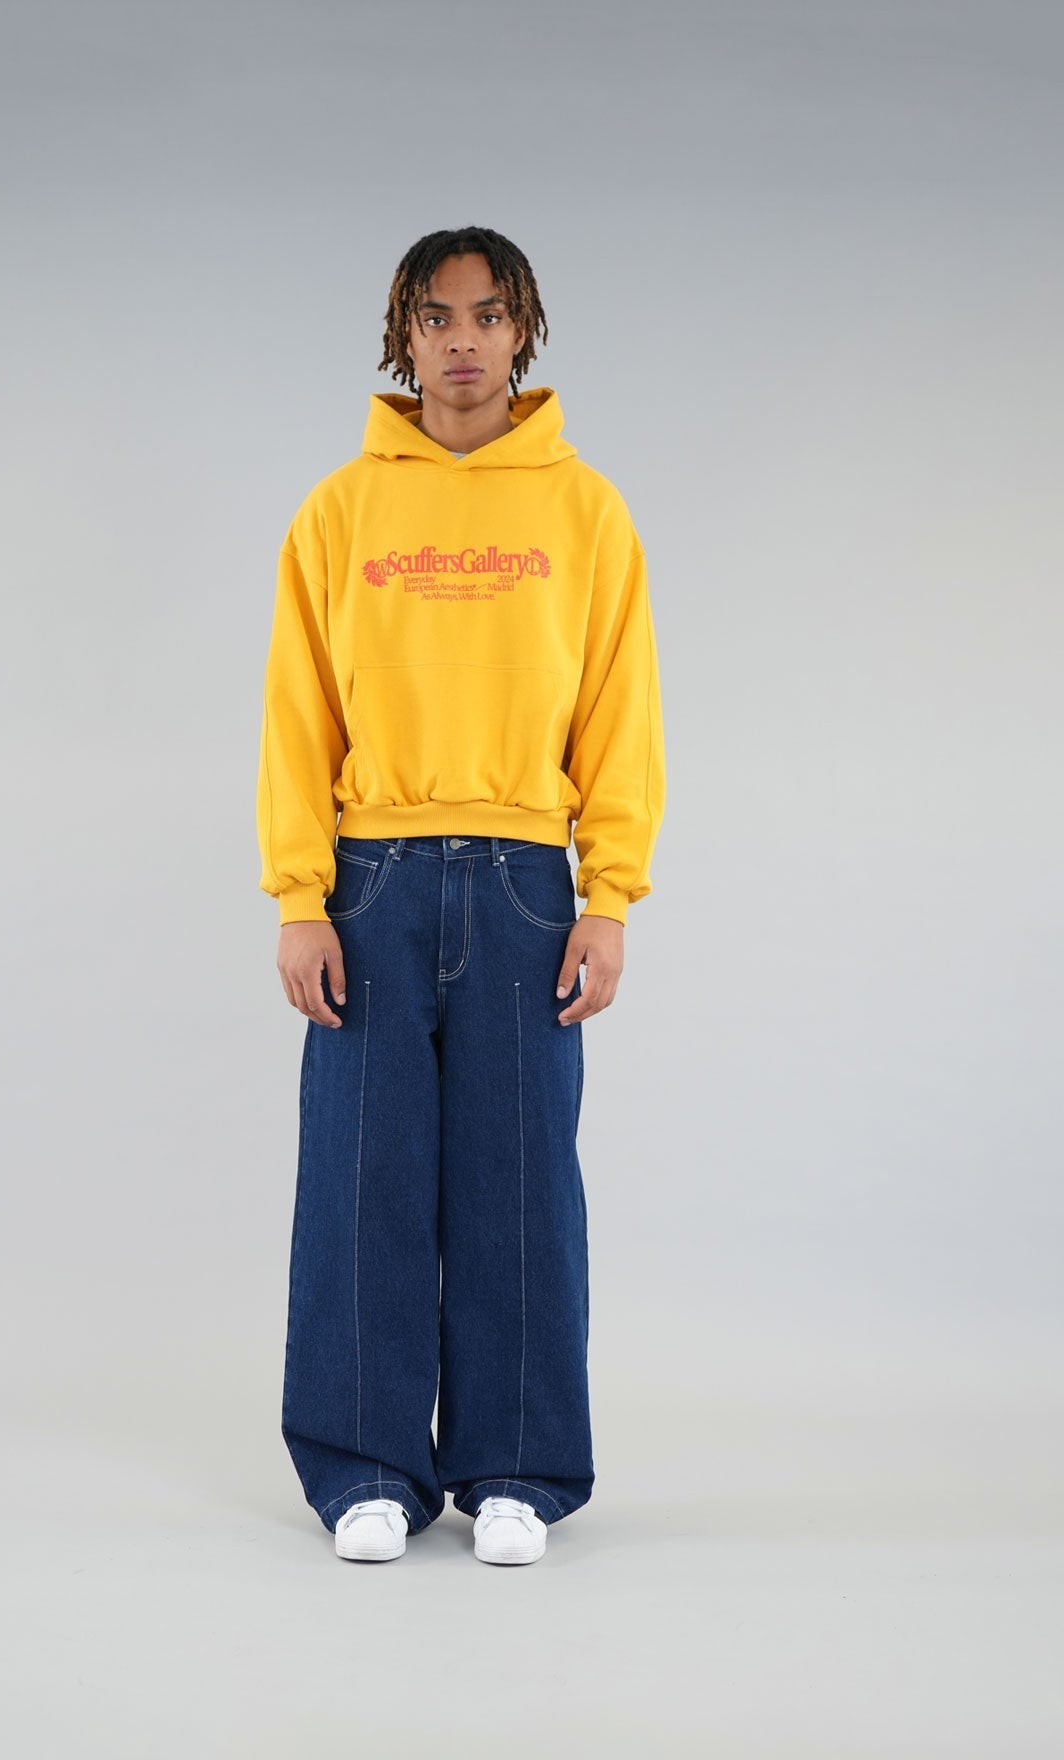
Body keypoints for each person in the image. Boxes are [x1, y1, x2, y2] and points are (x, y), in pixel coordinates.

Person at [255, 225, 666, 1565]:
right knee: (363, 1176)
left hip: (526, 882)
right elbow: (297, 716)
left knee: (519, 1180)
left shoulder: (585, 510)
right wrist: (299, 896)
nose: (465, 341)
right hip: (370, 876)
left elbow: (620, 712)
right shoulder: (339, 511)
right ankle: (365, 1464)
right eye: (437, 319)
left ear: (523, 330)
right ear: (405, 337)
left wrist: (610, 895)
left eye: (489, 315)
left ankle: (517, 1468)